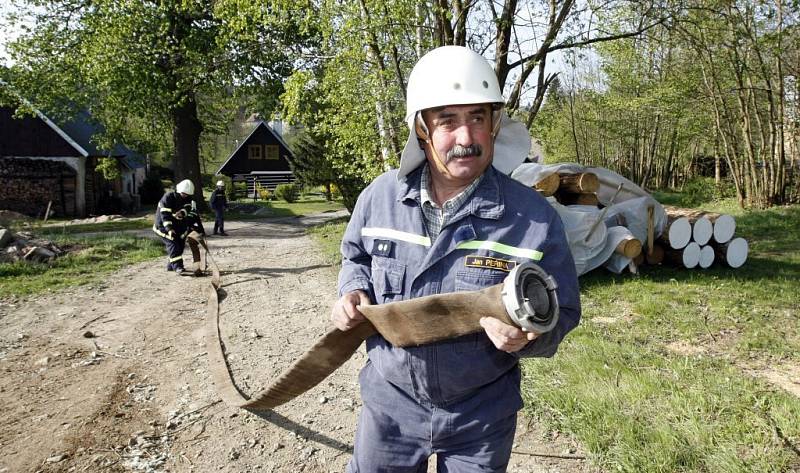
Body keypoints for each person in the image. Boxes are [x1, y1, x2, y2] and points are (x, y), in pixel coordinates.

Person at [331, 45, 581, 472]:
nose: (466, 138)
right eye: (448, 120)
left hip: (481, 417)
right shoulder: (379, 199)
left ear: (494, 124)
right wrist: (352, 288)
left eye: (477, 118)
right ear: (422, 129)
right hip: (389, 408)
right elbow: (354, 256)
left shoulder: (534, 219)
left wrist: (531, 336)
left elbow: (565, 311)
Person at [152, 179, 206, 276]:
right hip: (162, 227)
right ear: (178, 190)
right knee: (173, 244)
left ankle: (171, 266)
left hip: (176, 227)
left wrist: (182, 212)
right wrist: (169, 228)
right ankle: (178, 267)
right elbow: (165, 214)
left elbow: (188, 208)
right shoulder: (168, 197)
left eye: (187, 194)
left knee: (180, 246)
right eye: (183, 193)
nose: (185, 195)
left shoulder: (187, 198)